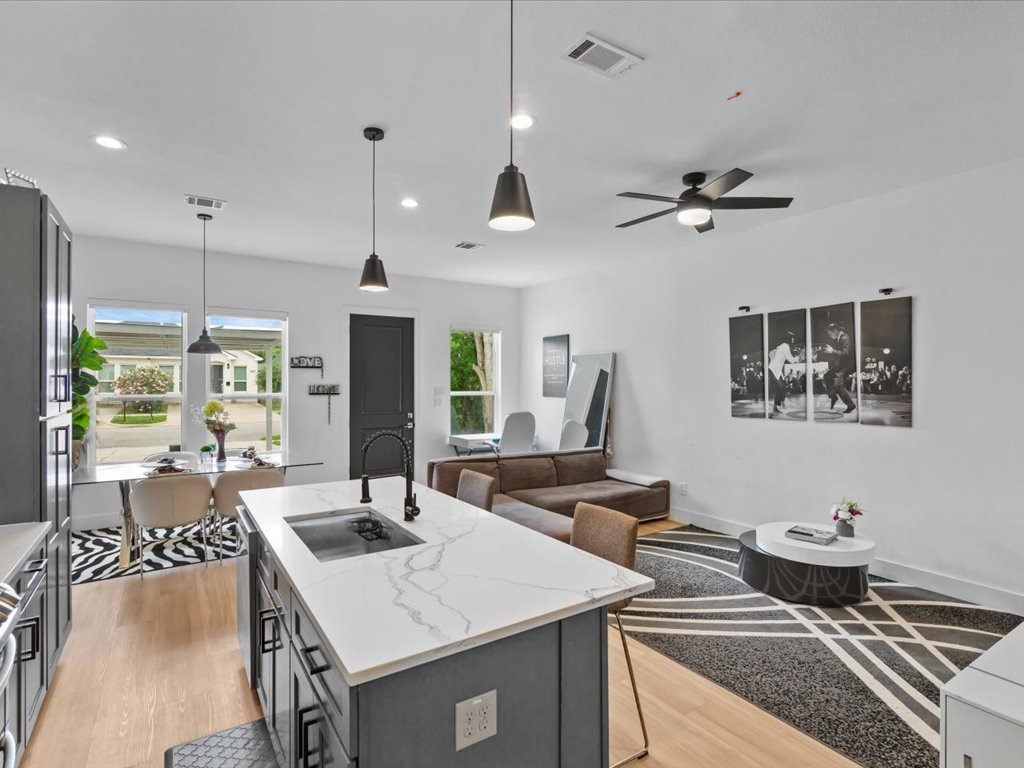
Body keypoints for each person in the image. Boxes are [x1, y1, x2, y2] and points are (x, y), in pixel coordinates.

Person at [822, 323, 856, 414]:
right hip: (839, 366)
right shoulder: (839, 339)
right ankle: (833, 396)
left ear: (835, 331)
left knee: (837, 383)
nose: (829, 336)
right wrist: (831, 352)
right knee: (827, 376)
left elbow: (846, 353)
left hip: (846, 366)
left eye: (830, 333)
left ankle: (851, 405)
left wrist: (832, 351)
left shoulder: (845, 337)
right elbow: (839, 354)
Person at [768, 332, 800, 414]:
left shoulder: (781, 346)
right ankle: (779, 405)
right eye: (792, 338)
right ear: (789, 338)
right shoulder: (785, 346)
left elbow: (771, 353)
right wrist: (799, 357)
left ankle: (779, 404)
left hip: (776, 371)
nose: (793, 340)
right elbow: (791, 360)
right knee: (781, 388)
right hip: (774, 370)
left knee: (782, 388)